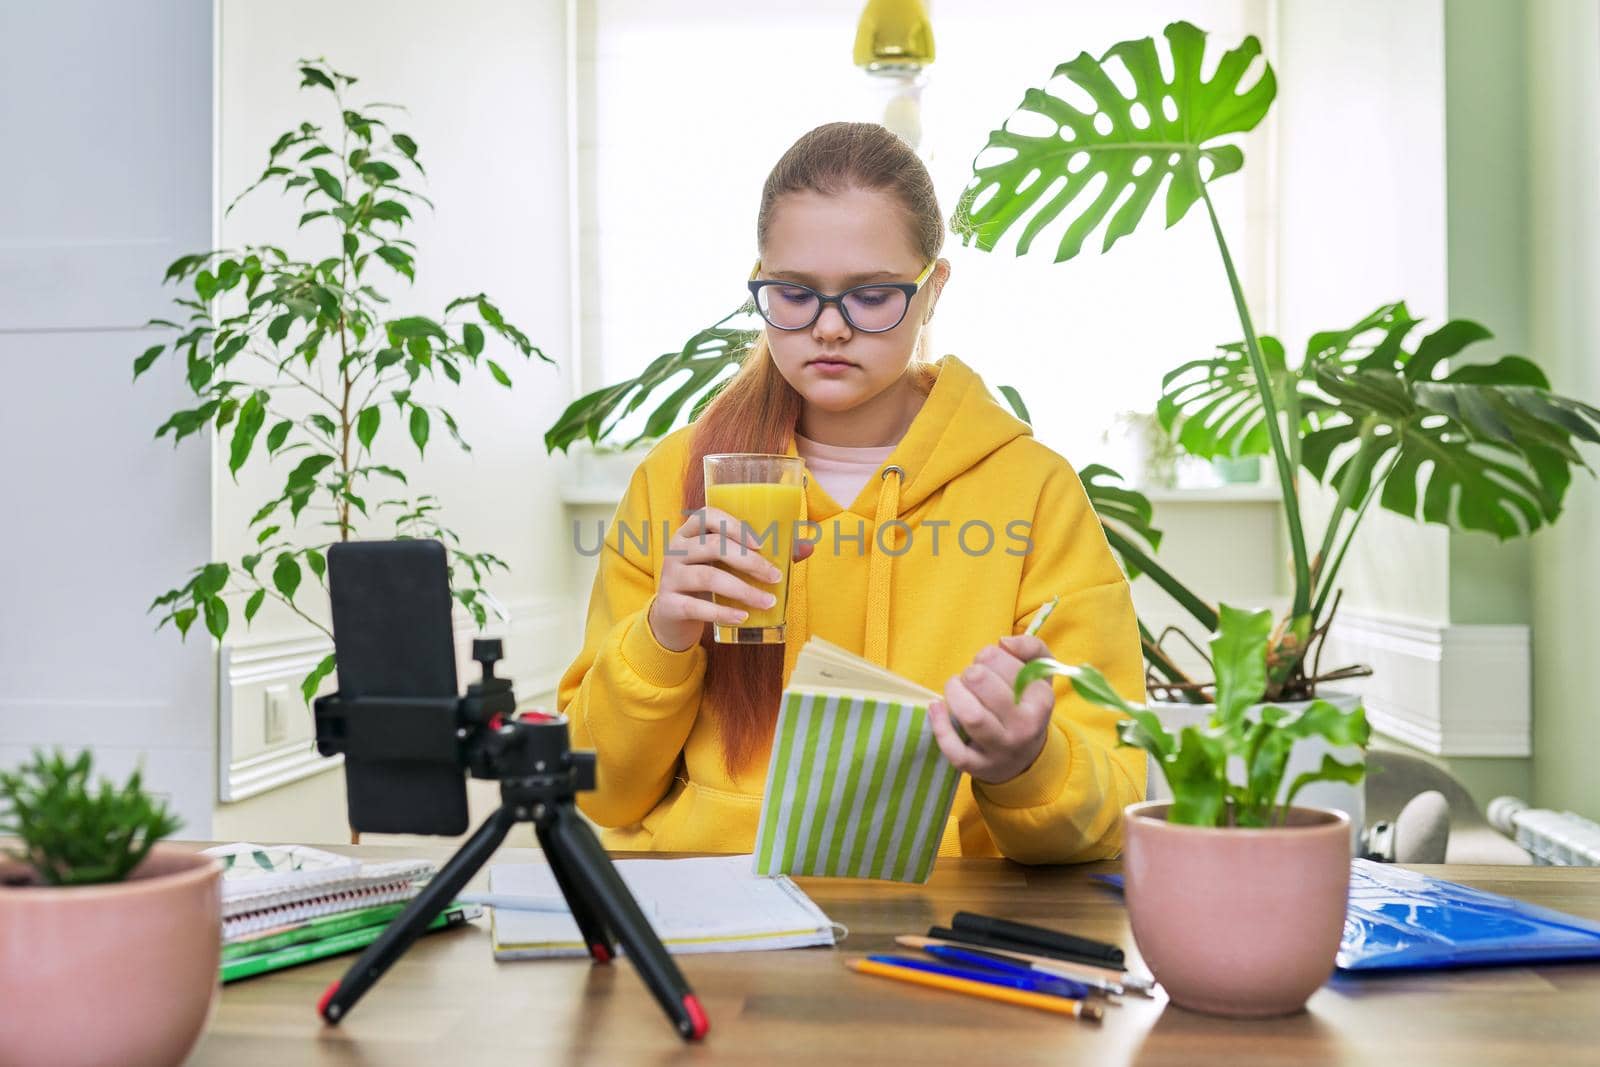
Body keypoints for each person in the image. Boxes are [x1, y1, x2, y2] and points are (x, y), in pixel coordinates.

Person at [557, 121, 1145, 865]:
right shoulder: (678, 478)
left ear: (932, 291)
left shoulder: (1032, 491)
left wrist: (1025, 761)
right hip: (712, 915)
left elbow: (1109, 806)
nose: (829, 328)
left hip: (941, 929)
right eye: (795, 293)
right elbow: (597, 790)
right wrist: (665, 634)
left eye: (871, 296)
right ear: (760, 284)